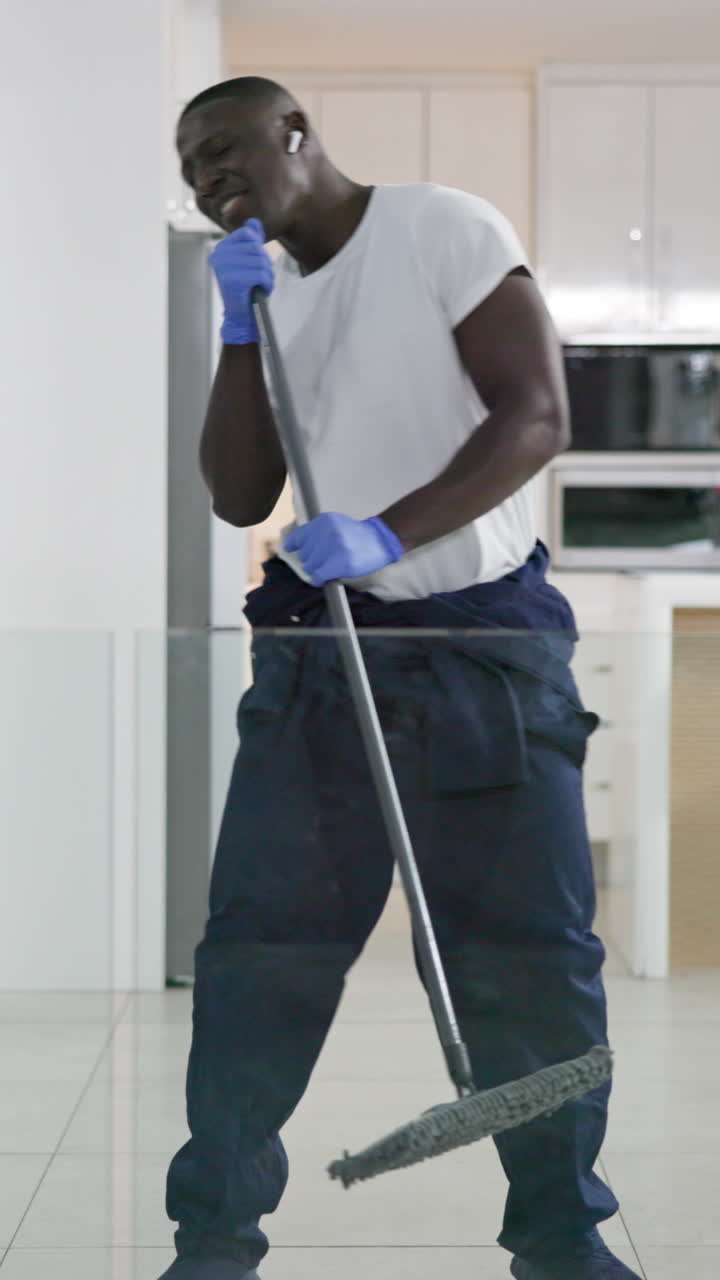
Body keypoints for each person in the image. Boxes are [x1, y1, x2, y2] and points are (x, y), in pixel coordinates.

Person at [159, 76, 639, 1280]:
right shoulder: (265, 292)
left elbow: (535, 417)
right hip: (322, 659)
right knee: (258, 953)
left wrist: (389, 529)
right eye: (191, 171)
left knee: (526, 956)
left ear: (298, 133)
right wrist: (235, 335)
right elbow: (232, 493)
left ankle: (562, 1236)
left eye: (225, 151)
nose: (211, 181)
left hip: (483, 648)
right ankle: (215, 1236)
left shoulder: (441, 224)